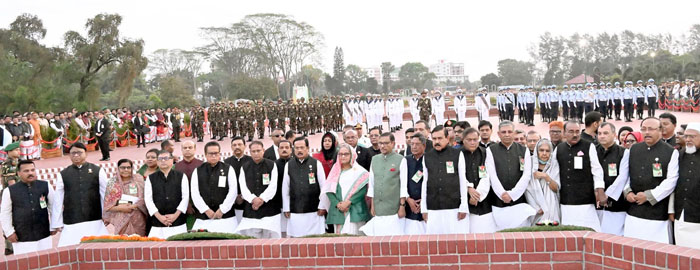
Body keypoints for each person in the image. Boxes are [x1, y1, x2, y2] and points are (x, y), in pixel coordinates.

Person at [613, 117, 678, 244]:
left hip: (657, 212)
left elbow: (671, 181)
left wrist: (649, 196)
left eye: (651, 129)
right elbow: (625, 176)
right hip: (633, 211)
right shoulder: (633, 149)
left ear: (660, 131)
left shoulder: (671, 152)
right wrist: (628, 192)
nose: (647, 132)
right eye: (643, 129)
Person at [550, 121, 604, 232]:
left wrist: (600, 189)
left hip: (586, 201)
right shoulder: (559, 149)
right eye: (571, 131)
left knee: (591, 232)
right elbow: (554, 173)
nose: (575, 135)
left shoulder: (589, 146)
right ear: (564, 133)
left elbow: (597, 170)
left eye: (577, 131)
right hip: (566, 201)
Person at [52, 142, 109, 247]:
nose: (76, 155)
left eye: (79, 152)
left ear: (86, 154)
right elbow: (58, 199)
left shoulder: (98, 171)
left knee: (99, 248)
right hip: (72, 219)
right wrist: (57, 222)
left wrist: (106, 214)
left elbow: (105, 194)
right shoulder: (63, 174)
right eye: (73, 153)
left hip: (94, 218)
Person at [485, 121, 536, 231]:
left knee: (520, 233)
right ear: (498, 134)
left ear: (514, 133)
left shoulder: (523, 150)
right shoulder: (491, 150)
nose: (507, 134)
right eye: (504, 132)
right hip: (498, 200)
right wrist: (502, 194)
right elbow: (491, 175)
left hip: (519, 199)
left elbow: (526, 175)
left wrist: (513, 194)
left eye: (509, 132)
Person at [0, 160, 57, 254]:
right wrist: (9, 232)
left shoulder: (45, 186)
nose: (30, 173)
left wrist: (54, 225)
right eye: (26, 171)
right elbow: (5, 213)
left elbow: (53, 207)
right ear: (18, 173)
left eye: (32, 170)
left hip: (44, 234)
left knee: (46, 261)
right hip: (22, 237)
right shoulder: (9, 191)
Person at [421, 126, 469, 234]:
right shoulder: (427, 156)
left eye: (440, 138)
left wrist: (463, 206)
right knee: (435, 243)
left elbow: (462, 179)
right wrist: (423, 208)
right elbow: (425, 182)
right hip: (433, 207)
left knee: (455, 241)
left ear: (447, 138)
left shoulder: (457, 154)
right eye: (434, 139)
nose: (437, 142)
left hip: (454, 207)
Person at [361, 132, 407, 236]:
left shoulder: (401, 159)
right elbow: (372, 184)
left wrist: (402, 206)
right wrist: (372, 206)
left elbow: (403, 185)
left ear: (393, 143)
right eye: (381, 143)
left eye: (386, 143)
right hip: (378, 206)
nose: (382, 146)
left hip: (394, 207)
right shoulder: (375, 159)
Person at [282, 137, 329, 237]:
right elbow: (285, 188)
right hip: (295, 210)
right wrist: (286, 207)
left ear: (307, 148)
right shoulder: (289, 165)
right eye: (297, 148)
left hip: (314, 210)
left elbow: (323, 187)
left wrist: (322, 205)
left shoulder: (316, 163)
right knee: (297, 240)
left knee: (315, 239)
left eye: (302, 147)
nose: (299, 150)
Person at [190, 142, 238, 234]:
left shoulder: (228, 169)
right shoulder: (198, 170)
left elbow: (233, 191)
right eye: (210, 154)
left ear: (219, 154)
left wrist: (222, 210)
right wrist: (206, 210)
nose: (213, 156)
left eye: (216, 153)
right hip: (204, 217)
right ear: (205, 155)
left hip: (226, 216)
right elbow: (195, 193)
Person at [235, 141, 280, 238]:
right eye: (253, 151)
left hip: (270, 209)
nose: (256, 153)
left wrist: (261, 199)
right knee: (252, 240)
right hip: (251, 209)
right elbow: (243, 187)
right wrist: (253, 199)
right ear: (250, 152)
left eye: (258, 150)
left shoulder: (271, 165)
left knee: (271, 240)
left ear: (263, 150)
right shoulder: (245, 167)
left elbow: (273, 186)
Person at [324, 143, 371, 234]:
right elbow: (329, 190)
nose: (343, 156)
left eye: (346, 154)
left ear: (352, 155)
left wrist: (348, 202)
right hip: (339, 210)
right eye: (340, 154)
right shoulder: (335, 171)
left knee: (355, 239)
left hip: (355, 209)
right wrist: (338, 204)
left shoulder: (360, 171)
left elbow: (362, 190)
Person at [144, 150, 189, 239]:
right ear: (157, 162)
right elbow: (148, 200)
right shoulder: (151, 178)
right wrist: (159, 217)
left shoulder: (181, 176)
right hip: (157, 222)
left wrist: (175, 215)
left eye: (166, 158)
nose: (163, 161)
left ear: (172, 160)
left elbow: (185, 197)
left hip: (177, 221)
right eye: (160, 159)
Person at [596, 122, 630, 236]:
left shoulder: (623, 152)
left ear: (614, 135)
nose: (602, 136)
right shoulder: (593, 151)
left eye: (606, 133)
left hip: (616, 203)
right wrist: (597, 192)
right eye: (599, 133)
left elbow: (623, 176)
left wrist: (607, 195)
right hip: (595, 202)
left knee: (614, 236)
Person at [461, 128, 496, 233]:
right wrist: (468, 188)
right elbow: (457, 175)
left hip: (483, 202)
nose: (472, 142)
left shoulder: (485, 153)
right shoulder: (457, 154)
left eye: (475, 139)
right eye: (469, 140)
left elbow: (487, 175)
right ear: (463, 140)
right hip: (463, 201)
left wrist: (477, 195)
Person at [672, 123, 700, 249]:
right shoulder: (679, 155)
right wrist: (670, 209)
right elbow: (673, 183)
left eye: (692, 136)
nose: (688, 139)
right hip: (682, 212)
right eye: (686, 136)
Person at [103, 159, 147, 236]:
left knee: (139, 240)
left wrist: (134, 206)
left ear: (132, 168)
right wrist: (121, 208)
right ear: (118, 168)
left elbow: (144, 197)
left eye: (128, 167)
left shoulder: (138, 179)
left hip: (138, 216)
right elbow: (107, 205)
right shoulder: (112, 182)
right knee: (123, 241)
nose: (126, 170)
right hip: (120, 216)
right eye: (123, 168)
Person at [524, 139, 560, 225]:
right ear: (537, 151)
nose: (544, 153)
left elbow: (556, 189)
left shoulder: (554, 164)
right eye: (541, 150)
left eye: (547, 151)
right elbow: (527, 189)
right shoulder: (530, 162)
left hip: (551, 207)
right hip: (534, 208)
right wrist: (536, 208)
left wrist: (546, 177)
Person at [224, 137, 253, 222]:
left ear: (245, 146)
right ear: (231, 147)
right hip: (232, 202)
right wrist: (234, 197)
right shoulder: (226, 163)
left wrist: (244, 196)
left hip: (250, 201)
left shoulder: (251, 161)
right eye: (234, 145)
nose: (237, 147)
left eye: (240, 144)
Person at [404, 133, 427, 234]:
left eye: (417, 144)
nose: (414, 147)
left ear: (424, 145)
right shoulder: (405, 160)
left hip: (425, 203)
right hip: (409, 204)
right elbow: (402, 182)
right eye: (412, 144)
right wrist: (408, 199)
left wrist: (424, 200)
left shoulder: (429, 159)